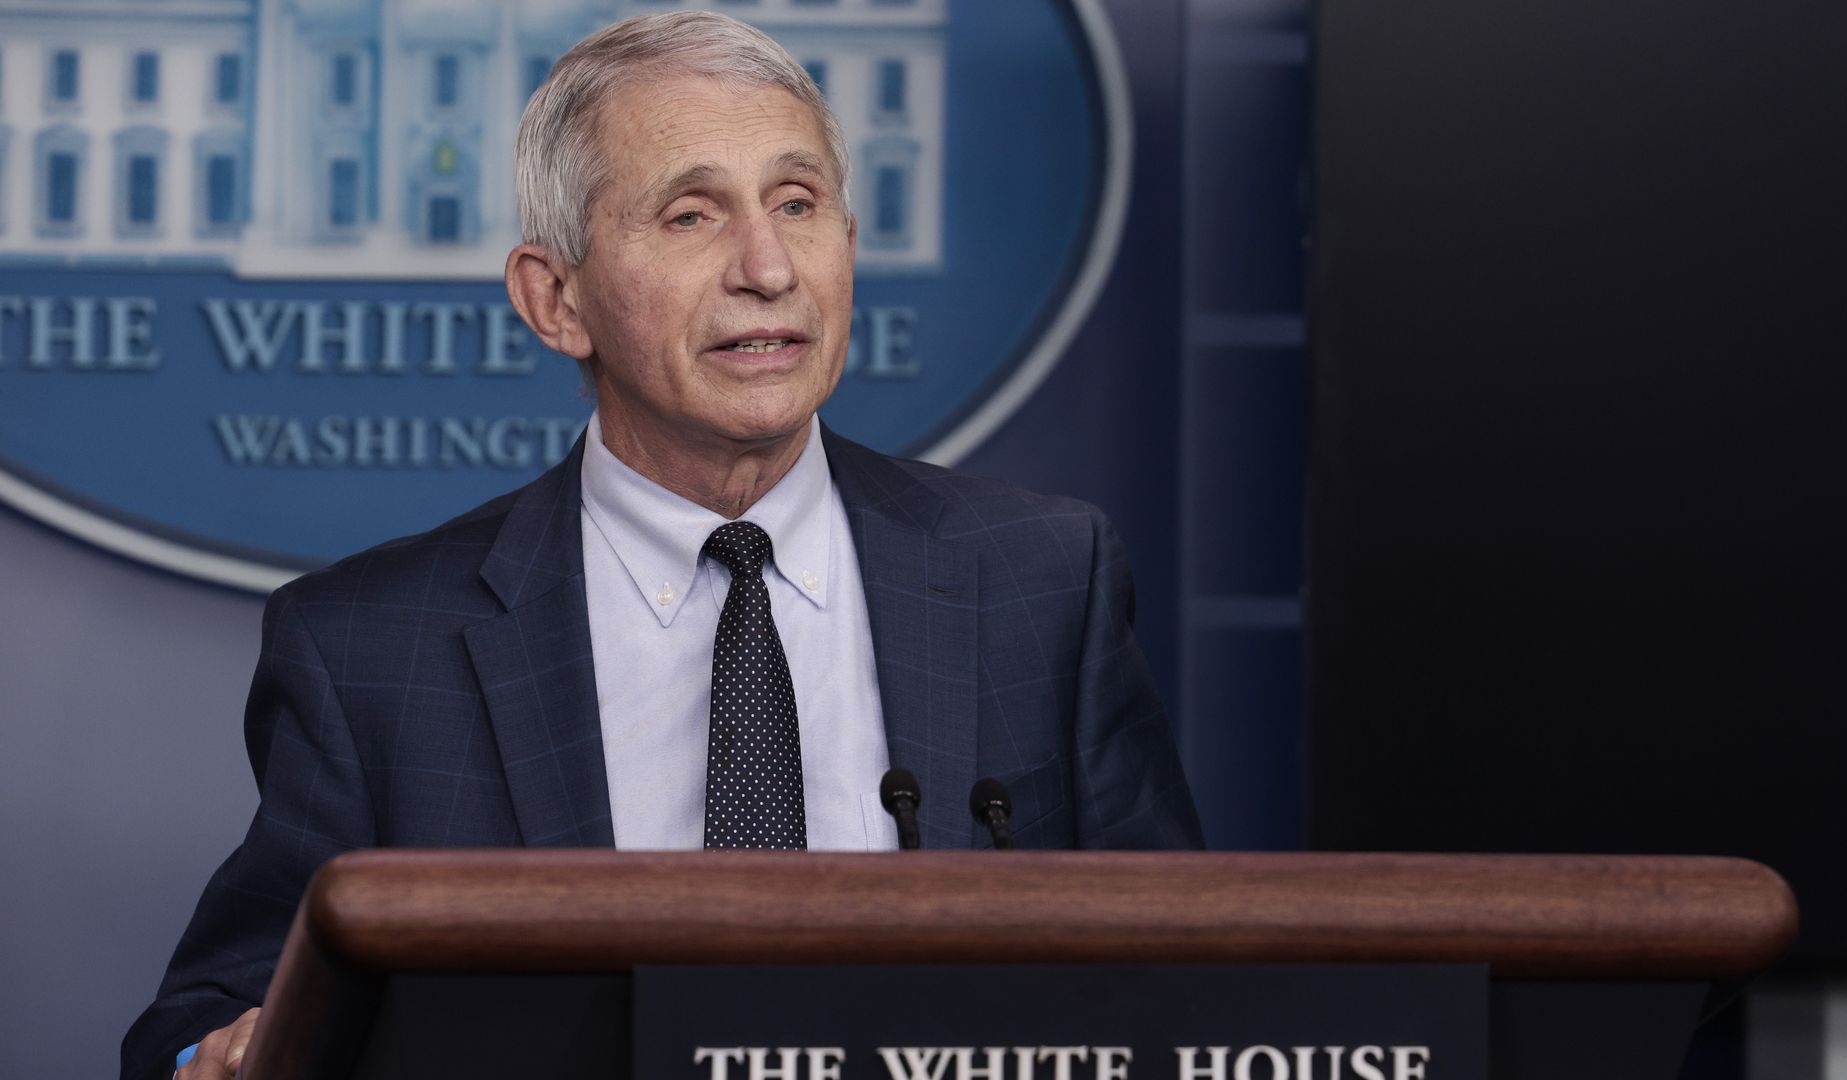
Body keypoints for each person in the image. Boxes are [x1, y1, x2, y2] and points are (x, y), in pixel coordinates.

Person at [126, 12, 1202, 1080]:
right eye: (692, 216)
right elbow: (212, 1015)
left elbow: (1196, 972)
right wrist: (216, 1060)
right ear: (557, 300)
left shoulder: (1040, 580)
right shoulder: (368, 648)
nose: (769, 267)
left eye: (799, 203)